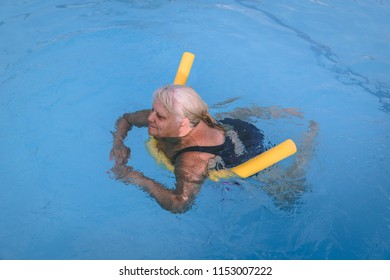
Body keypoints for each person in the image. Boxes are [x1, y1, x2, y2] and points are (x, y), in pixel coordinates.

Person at [110, 84, 318, 213]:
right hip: (226, 126)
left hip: (240, 154)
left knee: (288, 199)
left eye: (159, 116)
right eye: (154, 111)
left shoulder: (192, 161)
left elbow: (180, 204)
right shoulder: (169, 115)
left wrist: (135, 177)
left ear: (183, 124)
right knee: (224, 117)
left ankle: (309, 142)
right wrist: (118, 143)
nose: (150, 118)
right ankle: (271, 112)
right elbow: (126, 119)